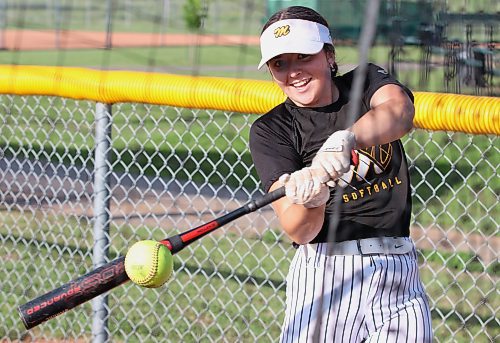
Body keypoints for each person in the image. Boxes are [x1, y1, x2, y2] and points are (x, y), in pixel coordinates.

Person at [249, 6, 433, 343]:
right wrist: (313, 200)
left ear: (329, 55)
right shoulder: (271, 130)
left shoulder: (364, 83)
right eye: (280, 64)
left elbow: (400, 112)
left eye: (303, 56)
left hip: (398, 268)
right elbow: (299, 229)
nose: (293, 72)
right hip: (326, 274)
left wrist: (347, 138)